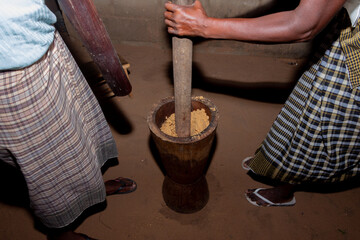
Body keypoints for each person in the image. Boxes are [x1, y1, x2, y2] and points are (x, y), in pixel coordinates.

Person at [164, 0, 360, 206]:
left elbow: (304, 25)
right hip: (346, 28)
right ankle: (276, 160)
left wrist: (205, 26)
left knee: (324, 130)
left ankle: (285, 189)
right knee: (308, 103)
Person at [0, 0, 136, 239]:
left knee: (77, 136)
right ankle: (62, 233)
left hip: (45, 41)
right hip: (10, 77)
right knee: (45, 167)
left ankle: (92, 189)